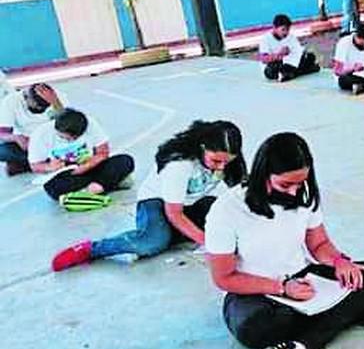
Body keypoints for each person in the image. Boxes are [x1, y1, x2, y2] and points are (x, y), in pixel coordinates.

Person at [205, 132, 364, 349]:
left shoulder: (304, 195)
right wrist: (282, 288)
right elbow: (224, 278)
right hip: (255, 292)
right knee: (253, 328)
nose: (294, 192)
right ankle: (347, 313)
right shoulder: (227, 210)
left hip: (304, 280)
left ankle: (301, 347)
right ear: (263, 174)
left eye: (300, 183)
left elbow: (319, 244)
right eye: (285, 185)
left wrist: (340, 262)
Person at [50, 121, 245, 272]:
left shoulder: (228, 160)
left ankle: (172, 234)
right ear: (202, 148)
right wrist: (208, 242)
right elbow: (174, 213)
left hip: (192, 205)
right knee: (152, 242)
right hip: (157, 204)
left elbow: (242, 193)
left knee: (230, 218)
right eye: (216, 161)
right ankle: (91, 249)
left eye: (226, 162)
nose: (221, 167)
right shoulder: (179, 165)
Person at [29, 108, 134, 202]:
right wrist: (49, 167)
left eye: (74, 138)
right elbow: (35, 166)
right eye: (64, 138)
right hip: (67, 174)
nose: (70, 141)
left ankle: (93, 189)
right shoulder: (41, 134)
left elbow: (103, 152)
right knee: (53, 188)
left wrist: (87, 165)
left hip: (91, 166)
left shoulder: (91, 124)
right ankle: (108, 184)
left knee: (125, 160)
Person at [0, 83, 63, 176]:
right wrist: (17, 138)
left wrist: (56, 103)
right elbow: (2, 133)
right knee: (2, 151)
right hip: (26, 143)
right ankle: (40, 163)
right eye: (37, 106)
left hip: (52, 141)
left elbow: (69, 123)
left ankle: (32, 164)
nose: (40, 109)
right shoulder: (11, 101)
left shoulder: (57, 97)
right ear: (25, 97)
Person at [258, 14, 320, 82]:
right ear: (274, 28)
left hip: (290, 63)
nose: (285, 32)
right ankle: (299, 72)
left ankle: (288, 74)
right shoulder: (266, 39)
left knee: (310, 56)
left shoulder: (291, 37)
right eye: (283, 30)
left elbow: (298, 52)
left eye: (287, 30)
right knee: (272, 69)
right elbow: (264, 59)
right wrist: (279, 55)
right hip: (274, 65)